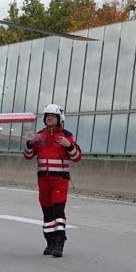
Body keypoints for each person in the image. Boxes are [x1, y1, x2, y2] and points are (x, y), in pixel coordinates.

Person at [23, 104, 82, 258]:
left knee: (58, 210)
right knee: (47, 212)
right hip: (43, 179)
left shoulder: (67, 136)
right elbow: (28, 156)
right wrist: (30, 143)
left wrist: (69, 146)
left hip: (60, 180)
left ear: (59, 118)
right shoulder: (39, 135)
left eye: (53, 116)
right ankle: (50, 242)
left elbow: (77, 157)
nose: (49, 118)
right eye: (47, 116)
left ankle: (60, 242)